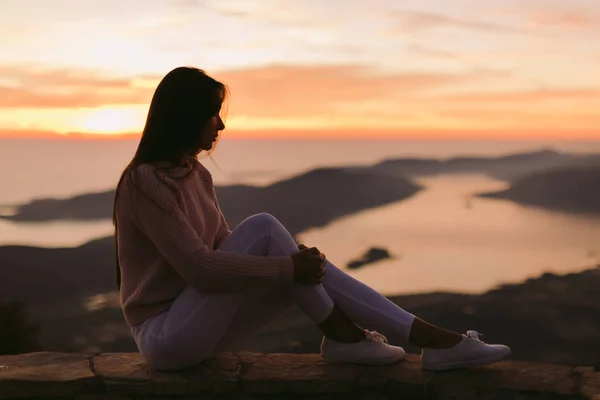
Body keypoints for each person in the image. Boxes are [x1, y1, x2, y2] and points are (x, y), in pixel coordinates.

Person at [113, 66, 511, 371]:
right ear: (187, 116)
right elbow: (201, 270)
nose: (220, 124)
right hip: (165, 337)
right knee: (267, 229)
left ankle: (403, 340)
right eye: (212, 115)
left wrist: (289, 262)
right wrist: (286, 266)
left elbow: (224, 247)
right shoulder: (145, 181)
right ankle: (383, 338)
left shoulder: (196, 174)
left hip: (201, 325)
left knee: (288, 253)